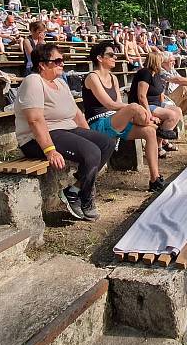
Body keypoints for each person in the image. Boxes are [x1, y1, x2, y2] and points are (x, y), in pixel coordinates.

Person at [15, 43, 114, 221]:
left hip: (66, 130)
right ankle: (85, 198)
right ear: (42, 65)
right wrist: (50, 150)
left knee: (106, 143)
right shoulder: (33, 81)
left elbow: (76, 112)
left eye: (63, 60)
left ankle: (74, 190)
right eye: (58, 60)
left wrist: (89, 135)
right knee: (92, 152)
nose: (62, 64)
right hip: (37, 138)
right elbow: (35, 120)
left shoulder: (60, 83)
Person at [82, 41, 170, 192]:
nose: (115, 57)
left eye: (115, 54)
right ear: (99, 58)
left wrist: (132, 111)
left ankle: (155, 179)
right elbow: (110, 104)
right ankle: (152, 123)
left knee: (149, 132)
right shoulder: (92, 77)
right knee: (135, 107)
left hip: (115, 120)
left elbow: (116, 105)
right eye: (111, 55)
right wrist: (134, 109)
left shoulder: (113, 78)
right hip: (98, 123)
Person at [130, 52, 181, 153]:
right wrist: (149, 115)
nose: (162, 62)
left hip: (155, 104)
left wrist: (163, 108)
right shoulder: (145, 73)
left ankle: (164, 141)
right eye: (160, 60)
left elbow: (160, 93)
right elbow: (141, 96)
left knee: (177, 111)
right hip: (144, 106)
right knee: (171, 115)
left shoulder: (156, 73)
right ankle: (158, 147)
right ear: (155, 61)